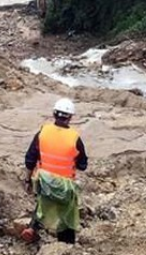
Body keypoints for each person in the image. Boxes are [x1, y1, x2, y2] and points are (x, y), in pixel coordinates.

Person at [21, 98, 88, 245]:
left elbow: (30, 159)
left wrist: (27, 180)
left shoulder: (42, 132)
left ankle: (33, 228)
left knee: (42, 202)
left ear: (54, 114)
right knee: (66, 215)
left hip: (43, 181)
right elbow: (83, 165)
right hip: (64, 185)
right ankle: (66, 245)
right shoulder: (74, 138)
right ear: (70, 117)